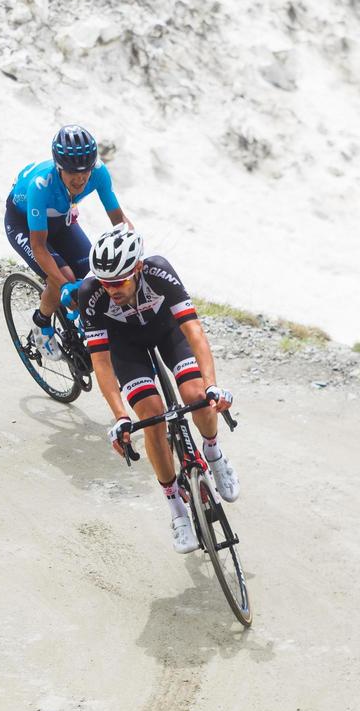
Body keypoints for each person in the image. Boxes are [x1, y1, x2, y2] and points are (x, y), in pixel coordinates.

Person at [78, 226, 240, 554]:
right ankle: (177, 511)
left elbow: (194, 331)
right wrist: (120, 416)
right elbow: (102, 363)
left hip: (168, 333)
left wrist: (212, 385)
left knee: (196, 396)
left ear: (137, 269)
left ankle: (213, 452)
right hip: (127, 348)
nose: (111, 290)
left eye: (119, 282)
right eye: (106, 282)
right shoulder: (91, 294)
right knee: (151, 418)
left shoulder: (158, 271)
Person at [5, 125, 130, 359]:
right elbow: (39, 247)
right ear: (59, 168)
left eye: (86, 170)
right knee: (65, 277)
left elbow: (119, 220)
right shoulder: (41, 186)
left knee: (95, 274)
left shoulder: (99, 173)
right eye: (73, 172)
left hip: (59, 221)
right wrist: (63, 286)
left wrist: (132, 252)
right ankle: (40, 325)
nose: (81, 178)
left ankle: (85, 327)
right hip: (23, 224)